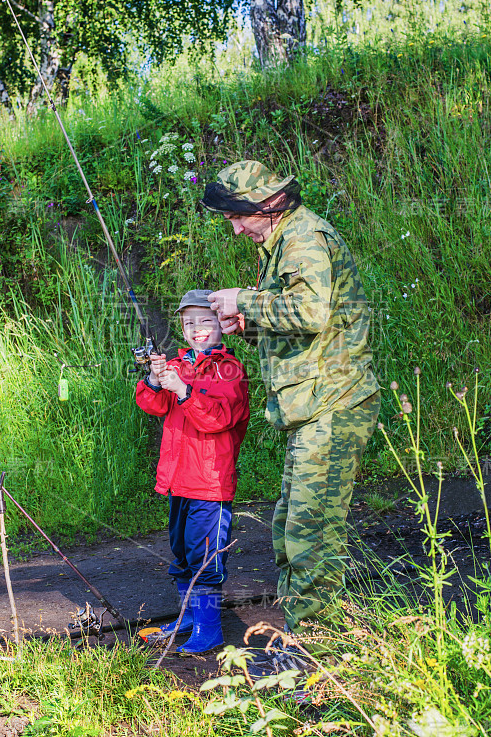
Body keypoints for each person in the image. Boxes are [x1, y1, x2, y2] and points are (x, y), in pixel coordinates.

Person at [202, 161, 380, 670]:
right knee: (291, 526)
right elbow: (305, 322)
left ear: (266, 206)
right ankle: (313, 649)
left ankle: (318, 662)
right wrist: (248, 320)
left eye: (239, 217)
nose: (236, 229)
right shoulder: (280, 241)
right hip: (316, 404)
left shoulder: (303, 238)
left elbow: (311, 311)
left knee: (309, 532)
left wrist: (245, 300)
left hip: (335, 404)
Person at [136, 289, 250, 654]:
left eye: (205, 320)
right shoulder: (177, 364)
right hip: (178, 482)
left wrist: (184, 391)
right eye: (188, 323)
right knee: (182, 553)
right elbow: (152, 405)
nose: (197, 328)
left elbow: (218, 420)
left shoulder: (230, 371)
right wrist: (156, 380)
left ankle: (209, 628)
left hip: (210, 484)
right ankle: (188, 615)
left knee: (206, 558)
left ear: (222, 324)